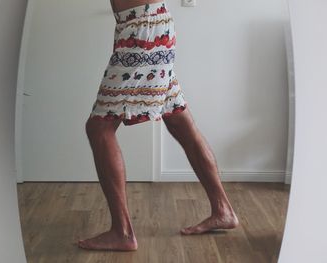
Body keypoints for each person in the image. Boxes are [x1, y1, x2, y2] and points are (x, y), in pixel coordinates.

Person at [78, 0, 239, 251]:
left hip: (142, 27)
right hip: (149, 24)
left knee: (99, 127)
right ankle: (223, 210)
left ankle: (122, 232)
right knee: (179, 120)